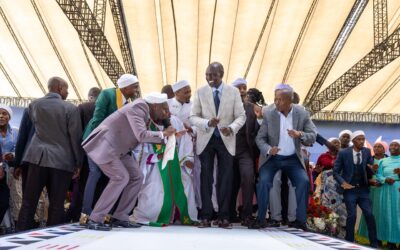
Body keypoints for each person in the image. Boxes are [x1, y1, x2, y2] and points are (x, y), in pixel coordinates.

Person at [81, 93, 176, 230]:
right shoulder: (139, 107)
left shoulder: (146, 111)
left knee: (137, 176)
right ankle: (96, 218)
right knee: (120, 177)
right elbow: (141, 135)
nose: (166, 114)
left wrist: (167, 133)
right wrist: (164, 134)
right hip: (106, 145)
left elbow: (151, 128)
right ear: (155, 105)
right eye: (164, 110)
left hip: (119, 149)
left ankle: (120, 216)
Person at [16, 77, 83, 231]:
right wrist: (78, 163)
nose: (68, 92)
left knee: (28, 202)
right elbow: (75, 138)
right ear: (59, 88)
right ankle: (52, 237)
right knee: (57, 204)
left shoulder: (34, 105)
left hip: (36, 158)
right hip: (61, 161)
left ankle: (19, 235)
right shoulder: (71, 108)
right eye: (67, 89)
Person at [251, 83, 316, 230]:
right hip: (273, 159)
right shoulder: (269, 113)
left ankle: (300, 221)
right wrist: (268, 149)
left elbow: (313, 136)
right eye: (275, 99)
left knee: (303, 182)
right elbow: (259, 139)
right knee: (264, 182)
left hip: (293, 158)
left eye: (279, 99)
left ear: (289, 100)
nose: (276, 102)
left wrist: (300, 134)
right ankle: (261, 219)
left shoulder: (302, 113)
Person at [190, 62, 246, 228]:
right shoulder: (200, 92)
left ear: (221, 74)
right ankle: (206, 216)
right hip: (206, 139)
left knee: (225, 178)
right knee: (206, 178)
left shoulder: (233, 92)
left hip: (226, 139)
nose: (209, 78)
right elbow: (193, 117)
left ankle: (224, 216)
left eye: (213, 75)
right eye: (207, 75)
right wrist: (207, 122)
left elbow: (241, 116)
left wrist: (232, 128)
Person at [81, 74, 139, 224]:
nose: (137, 89)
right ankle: (86, 213)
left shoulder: (129, 101)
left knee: (124, 177)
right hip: (97, 142)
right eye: (134, 86)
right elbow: (98, 119)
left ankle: (114, 215)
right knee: (95, 174)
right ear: (125, 87)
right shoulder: (107, 94)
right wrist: (98, 143)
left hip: (115, 147)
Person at [131, 114, 197, 226]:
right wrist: (155, 157)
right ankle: (156, 216)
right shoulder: (145, 124)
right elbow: (138, 150)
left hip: (175, 162)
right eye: (163, 109)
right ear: (154, 109)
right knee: (156, 187)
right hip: (153, 166)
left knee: (186, 183)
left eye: (166, 109)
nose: (166, 112)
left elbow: (184, 142)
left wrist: (187, 159)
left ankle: (181, 216)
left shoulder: (174, 120)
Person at [333, 130, 378, 248]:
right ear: (353, 141)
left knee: (369, 214)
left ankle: (374, 243)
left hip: (363, 189)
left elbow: (370, 170)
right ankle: (349, 242)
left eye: (363, 139)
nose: (362, 141)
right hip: (350, 189)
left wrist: (372, 169)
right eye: (359, 139)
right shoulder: (343, 153)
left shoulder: (367, 152)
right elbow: (335, 172)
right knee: (352, 215)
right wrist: (343, 183)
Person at [66, 87, 101, 222]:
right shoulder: (108, 107)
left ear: (90, 96)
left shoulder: (83, 107)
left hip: (85, 151)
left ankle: (78, 215)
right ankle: (95, 214)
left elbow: (76, 132)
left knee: (82, 185)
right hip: (102, 151)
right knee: (99, 184)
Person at [229, 78, 259, 226]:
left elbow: (256, 131)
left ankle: (247, 215)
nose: (242, 90)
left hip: (245, 151)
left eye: (244, 87)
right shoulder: (224, 107)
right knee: (230, 183)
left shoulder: (252, 108)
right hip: (228, 151)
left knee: (248, 178)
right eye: (238, 88)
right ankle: (228, 213)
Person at [358, 139, 388, 244]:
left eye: (380, 146)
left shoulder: (388, 160)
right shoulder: (368, 159)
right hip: (370, 190)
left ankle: (384, 237)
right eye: (375, 146)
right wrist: (369, 181)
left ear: (385, 149)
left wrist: (383, 181)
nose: (376, 148)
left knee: (383, 213)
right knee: (371, 213)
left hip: (385, 189)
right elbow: (362, 174)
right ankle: (374, 238)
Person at [374, 140, 400, 248]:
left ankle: (395, 241)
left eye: (396, 145)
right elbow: (378, 175)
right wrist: (385, 179)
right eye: (391, 145)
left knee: (396, 215)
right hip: (385, 190)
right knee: (385, 215)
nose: (393, 147)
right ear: (388, 149)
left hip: (397, 190)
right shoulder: (383, 161)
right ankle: (388, 241)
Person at [0, 105, 18, 227]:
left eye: (4, 113)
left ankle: (8, 226)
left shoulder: (15, 132)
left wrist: (12, 155)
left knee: (7, 201)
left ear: (9, 117)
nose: (1, 116)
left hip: (10, 170)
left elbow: (20, 148)